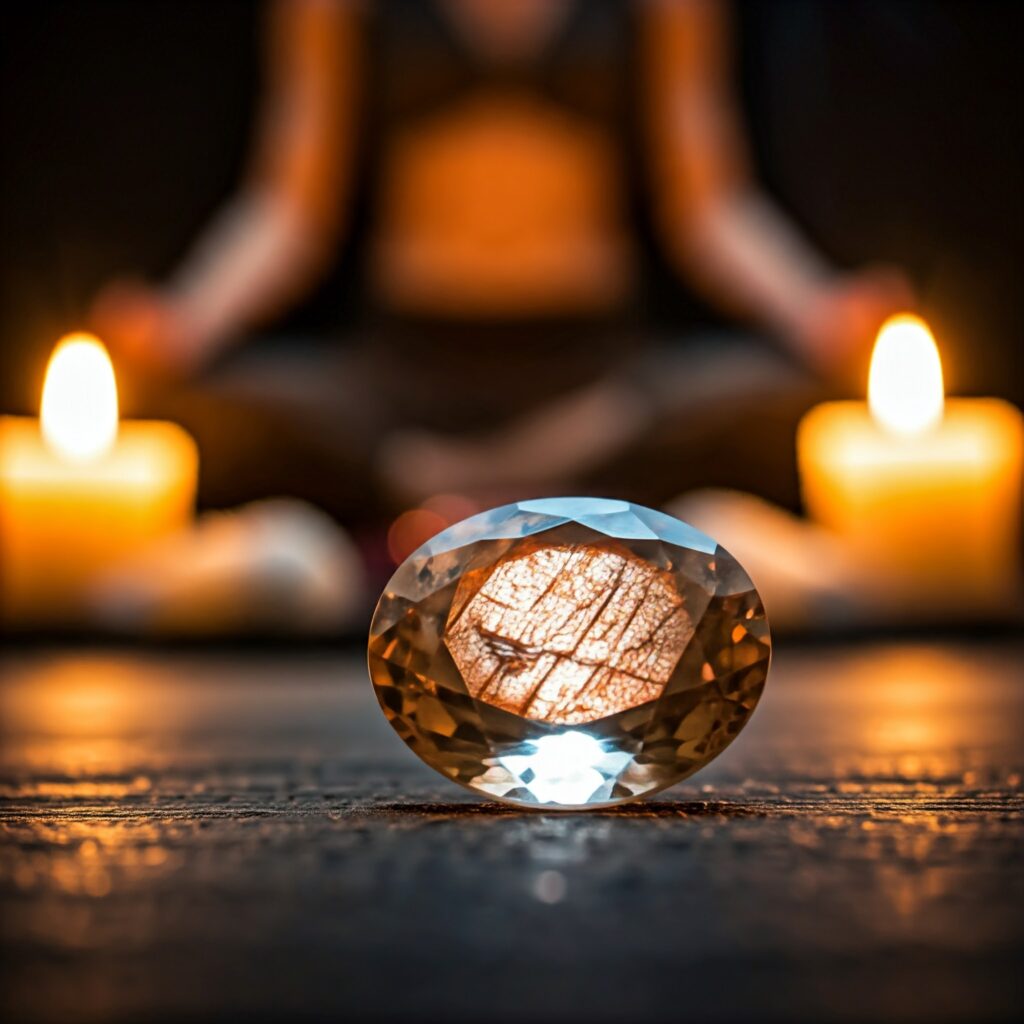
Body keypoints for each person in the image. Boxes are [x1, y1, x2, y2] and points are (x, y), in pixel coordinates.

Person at [91, 0, 910, 524]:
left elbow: (710, 207)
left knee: (783, 405)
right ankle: (543, 502)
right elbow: (289, 209)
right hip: (401, 380)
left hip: (598, 381)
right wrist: (184, 321)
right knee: (201, 419)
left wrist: (818, 310)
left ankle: (449, 506)